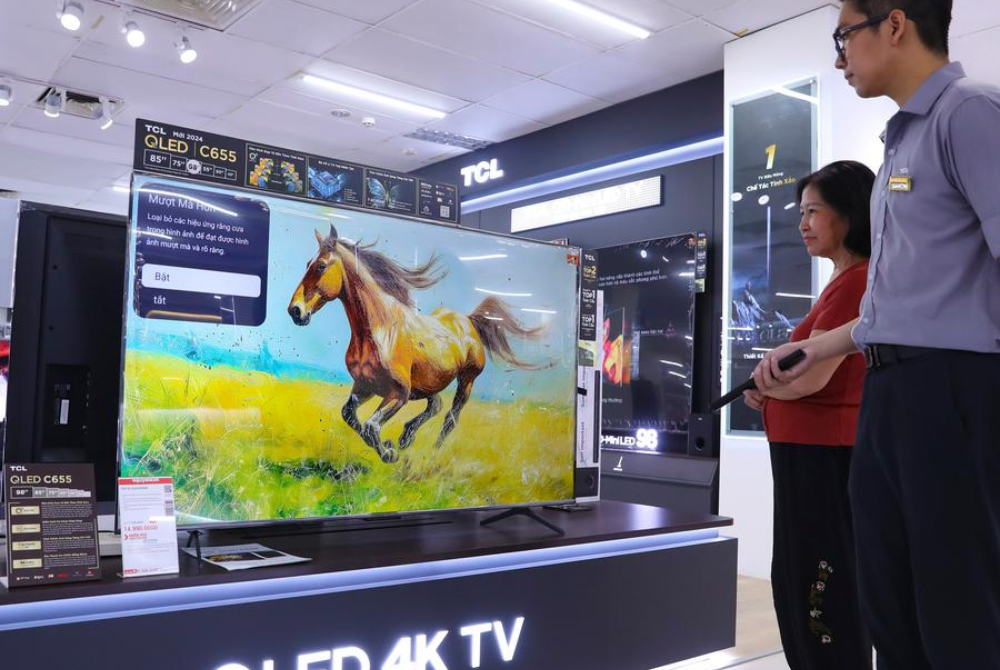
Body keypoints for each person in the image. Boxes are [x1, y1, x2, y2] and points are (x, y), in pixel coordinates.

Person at [753, 1, 1000, 668]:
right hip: (890, 393)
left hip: (952, 388)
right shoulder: (900, 143)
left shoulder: (970, 113)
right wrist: (819, 345)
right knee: (888, 603)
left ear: (894, 25)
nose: (839, 58)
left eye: (844, 36)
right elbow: (902, 303)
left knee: (956, 605)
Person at [743, 161, 875, 670]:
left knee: (819, 580)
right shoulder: (842, 281)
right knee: (805, 576)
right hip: (812, 453)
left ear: (850, 214)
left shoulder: (856, 281)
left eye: (813, 212)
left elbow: (812, 377)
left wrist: (769, 386)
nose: (802, 224)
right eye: (801, 212)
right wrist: (770, 390)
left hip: (823, 455)